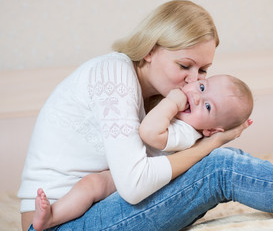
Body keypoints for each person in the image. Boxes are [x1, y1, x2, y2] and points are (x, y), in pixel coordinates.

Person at [18, 0, 273, 231]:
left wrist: (214, 139)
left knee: (228, 159)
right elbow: (135, 186)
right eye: (184, 65)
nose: (194, 80)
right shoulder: (114, 77)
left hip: (86, 213)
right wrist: (211, 146)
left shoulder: (154, 97)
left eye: (203, 70)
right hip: (60, 223)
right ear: (150, 50)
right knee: (220, 167)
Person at [31, 74, 254, 231]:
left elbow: (148, 132)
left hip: (143, 184)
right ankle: (51, 216)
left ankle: (51, 218)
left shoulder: (187, 133)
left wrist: (173, 101)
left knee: (92, 185)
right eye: (202, 87)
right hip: (130, 173)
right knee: (90, 184)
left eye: (207, 107)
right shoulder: (181, 121)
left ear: (211, 131)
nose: (196, 97)